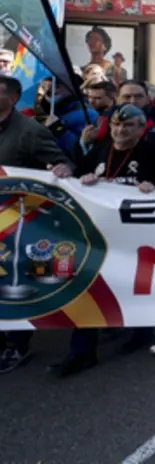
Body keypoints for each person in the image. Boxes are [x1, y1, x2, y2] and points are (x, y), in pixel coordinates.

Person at [52, 104, 155, 377]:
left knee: (137, 284)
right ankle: (81, 352)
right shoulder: (99, 149)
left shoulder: (153, 153)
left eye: (128, 125)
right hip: (99, 233)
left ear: (141, 128)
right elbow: (76, 173)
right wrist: (75, 174)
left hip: (137, 235)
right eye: (117, 125)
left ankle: (141, 330)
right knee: (88, 286)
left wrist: (154, 188)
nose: (120, 130)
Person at [0, 75, 74, 375]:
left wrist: (62, 168)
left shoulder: (29, 131)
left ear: (13, 98)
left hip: (18, 221)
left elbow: (63, 163)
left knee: (15, 281)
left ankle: (17, 344)